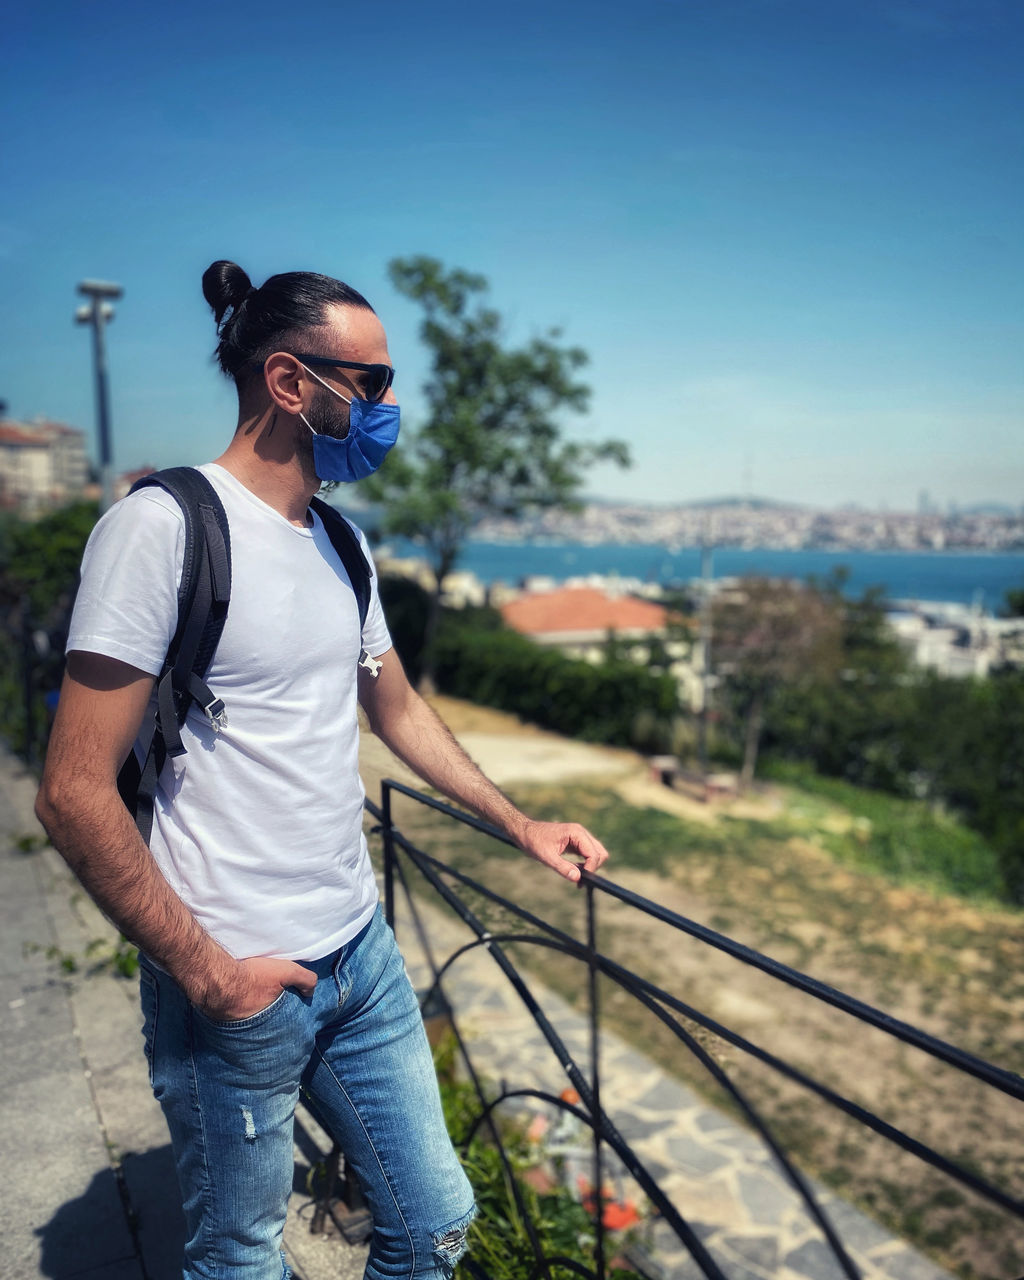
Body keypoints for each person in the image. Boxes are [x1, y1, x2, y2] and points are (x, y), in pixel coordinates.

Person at [35, 261, 611, 1280]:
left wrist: (519, 823)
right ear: (292, 381)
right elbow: (73, 788)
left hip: (360, 955)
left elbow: (394, 708)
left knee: (432, 1222)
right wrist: (212, 975)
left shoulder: (340, 542)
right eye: (375, 382)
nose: (390, 407)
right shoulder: (163, 527)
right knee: (241, 1257)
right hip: (236, 973)